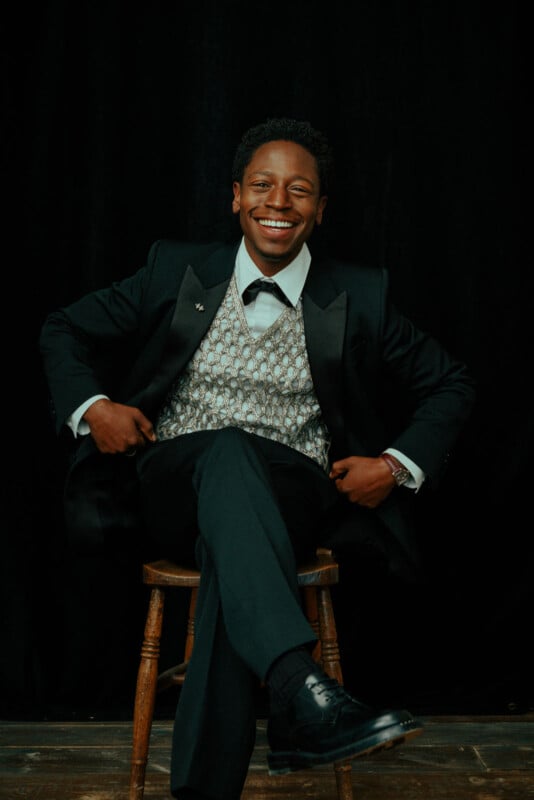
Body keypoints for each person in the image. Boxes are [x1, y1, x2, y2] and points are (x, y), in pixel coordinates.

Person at [39, 117, 476, 800]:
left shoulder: (360, 294)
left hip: (293, 495)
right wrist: (94, 408)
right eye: (264, 187)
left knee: (234, 551)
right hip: (174, 485)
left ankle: (236, 754)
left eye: (299, 190)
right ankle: (301, 697)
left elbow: (451, 381)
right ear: (235, 197)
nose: (280, 202)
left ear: (321, 209)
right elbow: (63, 328)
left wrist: (393, 465)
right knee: (227, 460)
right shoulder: (174, 269)